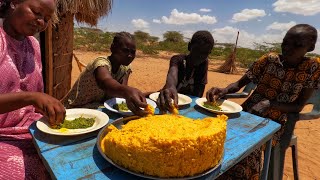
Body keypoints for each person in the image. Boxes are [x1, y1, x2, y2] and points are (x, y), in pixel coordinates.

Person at [206, 24, 320, 179]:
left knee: (245, 151)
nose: (288, 48)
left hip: (275, 123)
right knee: (213, 134)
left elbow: (298, 106)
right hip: (246, 114)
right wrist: (224, 90)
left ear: (311, 47)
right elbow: (238, 85)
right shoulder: (268, 60)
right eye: (285, 43)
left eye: (297, 45)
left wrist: (270, 104)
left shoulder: (312, 68)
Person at [0, 0, 66, 179]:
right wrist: (31, 97)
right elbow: (32, 96)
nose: (41, 22)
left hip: (30, 128)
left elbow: (35, 100)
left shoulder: (34, 45)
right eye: (37, 12)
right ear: (14, 3)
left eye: (46, 19)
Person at [63, 32, 148, 116]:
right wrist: (127, 91)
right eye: (125, 50)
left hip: (100, 106)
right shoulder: (101, 63)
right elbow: (105, 82)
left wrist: (148, 94)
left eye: (133, 52)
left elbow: (121, 91)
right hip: (77, 108)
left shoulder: (126, 68)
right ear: (113, 48)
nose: (130, 55)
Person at [157, 30, 214, 112]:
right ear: (189, 46)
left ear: (209, 52)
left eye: (205, 53)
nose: (200, 56)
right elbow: (172, 76)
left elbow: (199, 92)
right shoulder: (177, 59)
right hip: (169, 99)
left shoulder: (203, 63)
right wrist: (171, 87)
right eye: (197, 50)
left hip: (186, 105)